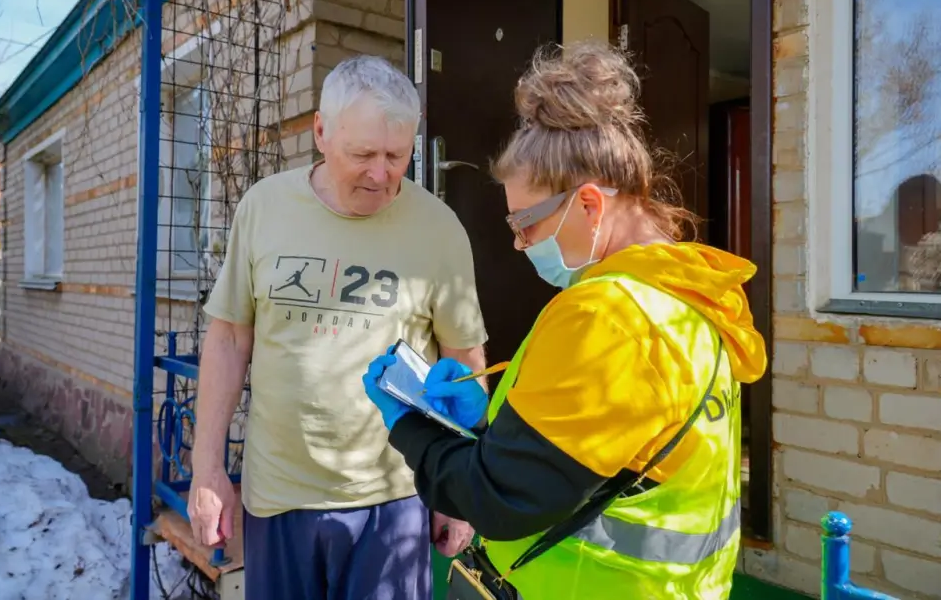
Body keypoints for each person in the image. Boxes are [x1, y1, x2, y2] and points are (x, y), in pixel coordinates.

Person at [362, 41, 768, 599]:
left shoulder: (610, 317)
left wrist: (410, 426)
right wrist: (485, 429)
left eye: (525, 222)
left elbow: (500, 501)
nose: (517, 241)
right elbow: (606, 462)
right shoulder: (686, 298)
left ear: (589, 206)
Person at [188, 55, 488, 599]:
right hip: (279, 494)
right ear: (321, 133)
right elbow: (230, 339)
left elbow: (464, 360)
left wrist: (456, 488)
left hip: (393, 499)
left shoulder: (440, 229)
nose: (382, 174)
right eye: (364, 154)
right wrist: (207, 470)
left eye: (398, 155)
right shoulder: (264, 207)